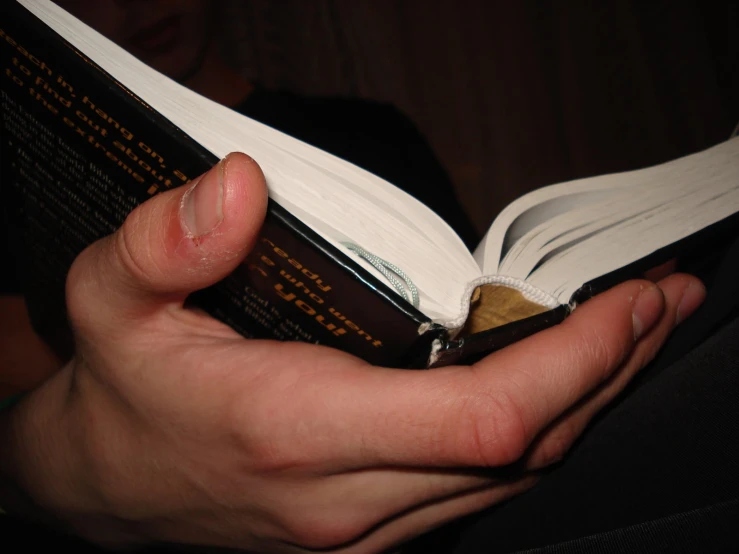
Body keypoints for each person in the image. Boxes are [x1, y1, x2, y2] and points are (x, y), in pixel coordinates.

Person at [1, 2, 737, 553]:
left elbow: (460, 305)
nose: (136, 3)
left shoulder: (370, 129)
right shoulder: (27, 157)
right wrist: (45, 465)